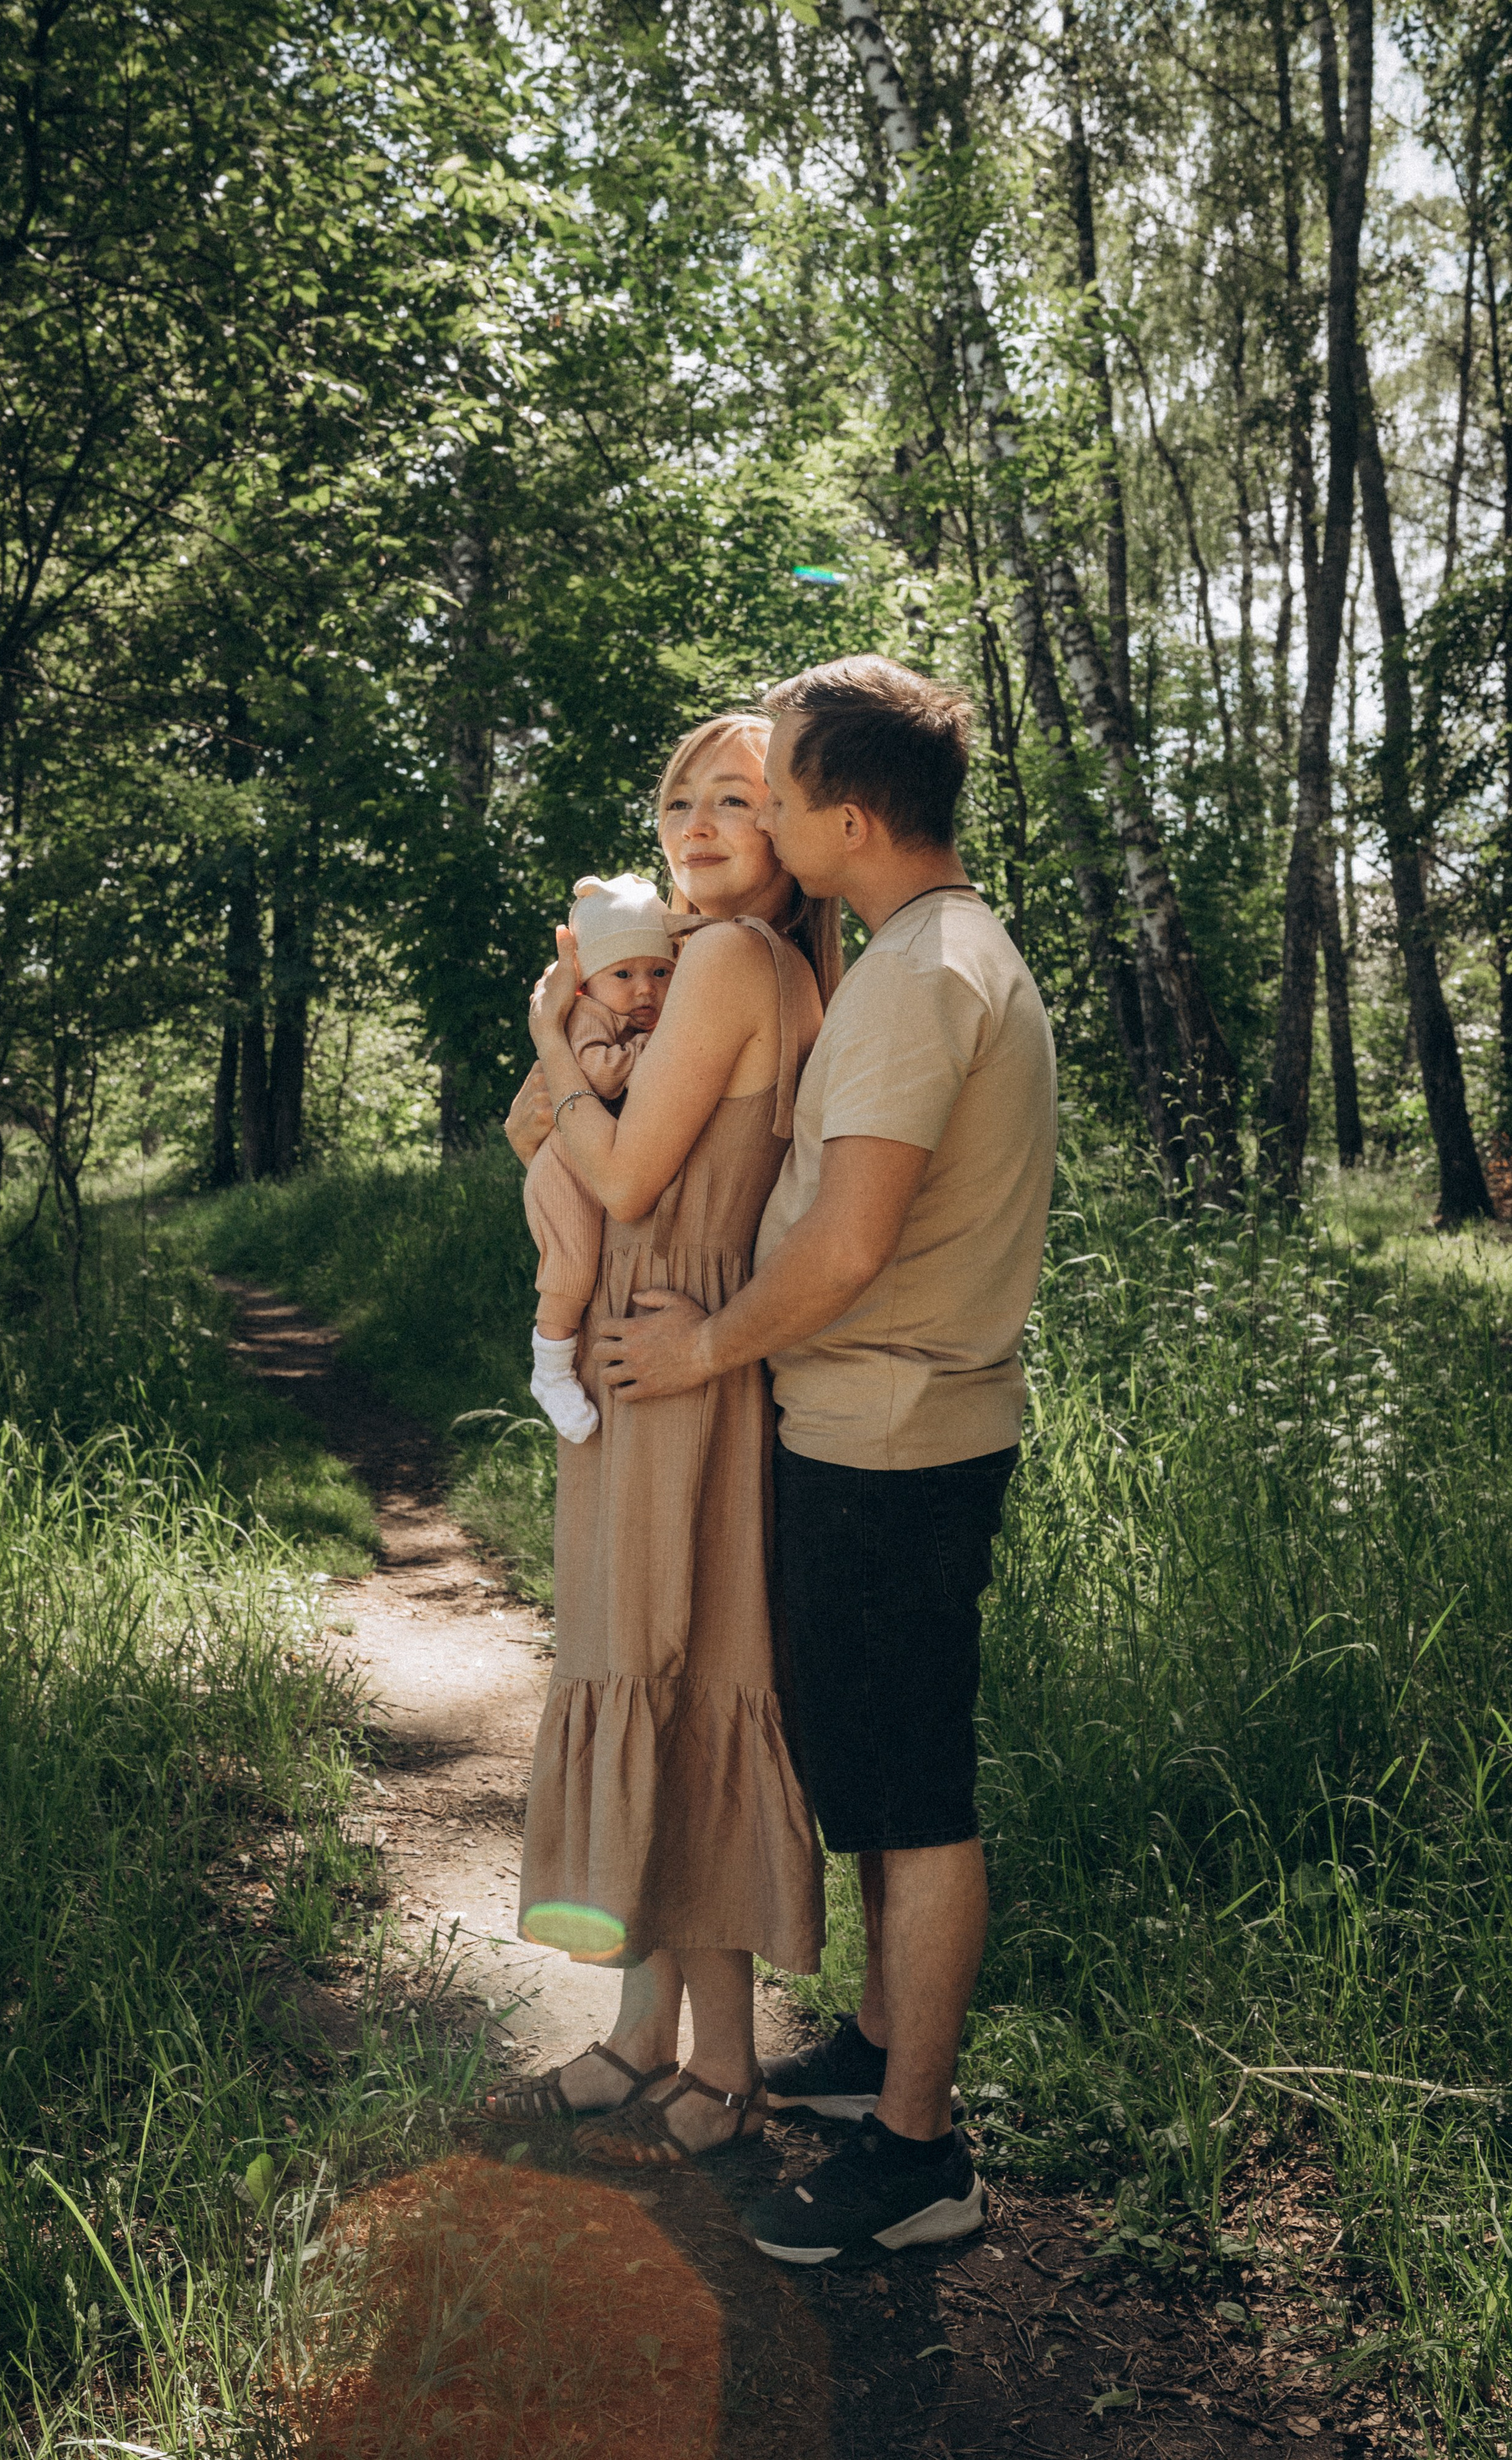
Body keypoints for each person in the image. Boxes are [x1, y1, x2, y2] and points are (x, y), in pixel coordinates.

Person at [593, 655, 1057, 2261]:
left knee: (911, 1790)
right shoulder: (909, 953)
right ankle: (871, 2055)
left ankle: (919, 2154)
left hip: (891, 1439)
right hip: (871, 1426)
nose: (761, 814)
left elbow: (849, 1239)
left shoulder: (925, 974)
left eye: (775, 788)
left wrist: (704, 1347)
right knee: (867, 1760)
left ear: (845, 817)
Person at [482, 712, 843, 2165]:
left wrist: (540, 1043)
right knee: (642, 1657)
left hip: (672, 1352)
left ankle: (725, 2057)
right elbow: (547, 1139)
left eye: (734, 800)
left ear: (791, 830)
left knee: (683, 1670)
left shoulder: (737, 964)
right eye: (677, 795)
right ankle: (646, 2028)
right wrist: (567, 1089)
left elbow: (617, 1172)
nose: (694, 822)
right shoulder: (703, 968)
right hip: (642, 1355)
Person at [524, 874, 680, 1445]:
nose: (644, 989)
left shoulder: (635, 1015)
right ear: (587, 981)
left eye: (659, 972)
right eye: (624, 974)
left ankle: (558, 1363)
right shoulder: (589, 1018)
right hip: (565, 1172)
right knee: (570, 1269)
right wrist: (650, 1049)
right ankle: (550, 1370)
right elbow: (597, 1073)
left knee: (583, 1265)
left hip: (593, 1167)